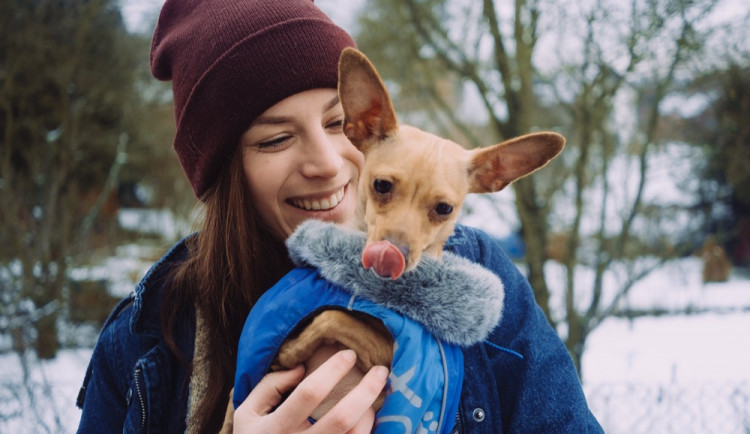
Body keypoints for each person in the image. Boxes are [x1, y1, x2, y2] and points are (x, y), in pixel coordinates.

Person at [76, 0, 604, 432]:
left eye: (336, 123)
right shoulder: (147, 339)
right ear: (222, 173)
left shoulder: (484, 282)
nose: (329, 167)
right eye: (277, 138)